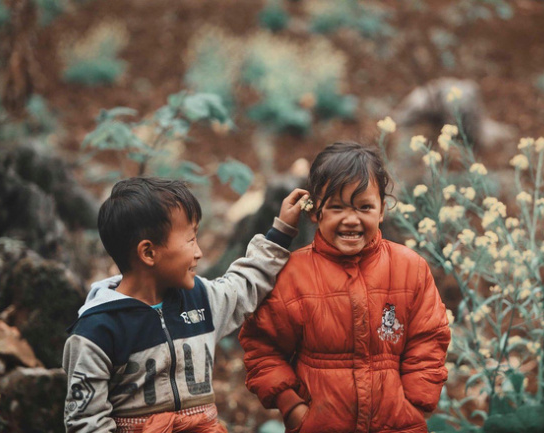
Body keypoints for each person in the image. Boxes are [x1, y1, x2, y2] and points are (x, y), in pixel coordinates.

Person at [63, 177, 309, 433]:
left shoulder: (201, 299)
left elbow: (243, 285)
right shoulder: (96, 332)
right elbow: (86, 421)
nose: (199, 252)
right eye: (191, 239)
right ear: (148, 253)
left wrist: (280, 233)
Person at [239, 142, 451, 433]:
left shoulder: (409, 268)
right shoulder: (292, 275)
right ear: (314, 212)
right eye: (337, 207)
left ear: (382, 210)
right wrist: (292, 406)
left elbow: (429, 339)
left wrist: (415, 403)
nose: (351, 219)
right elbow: (262, 347)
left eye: (364, 206)